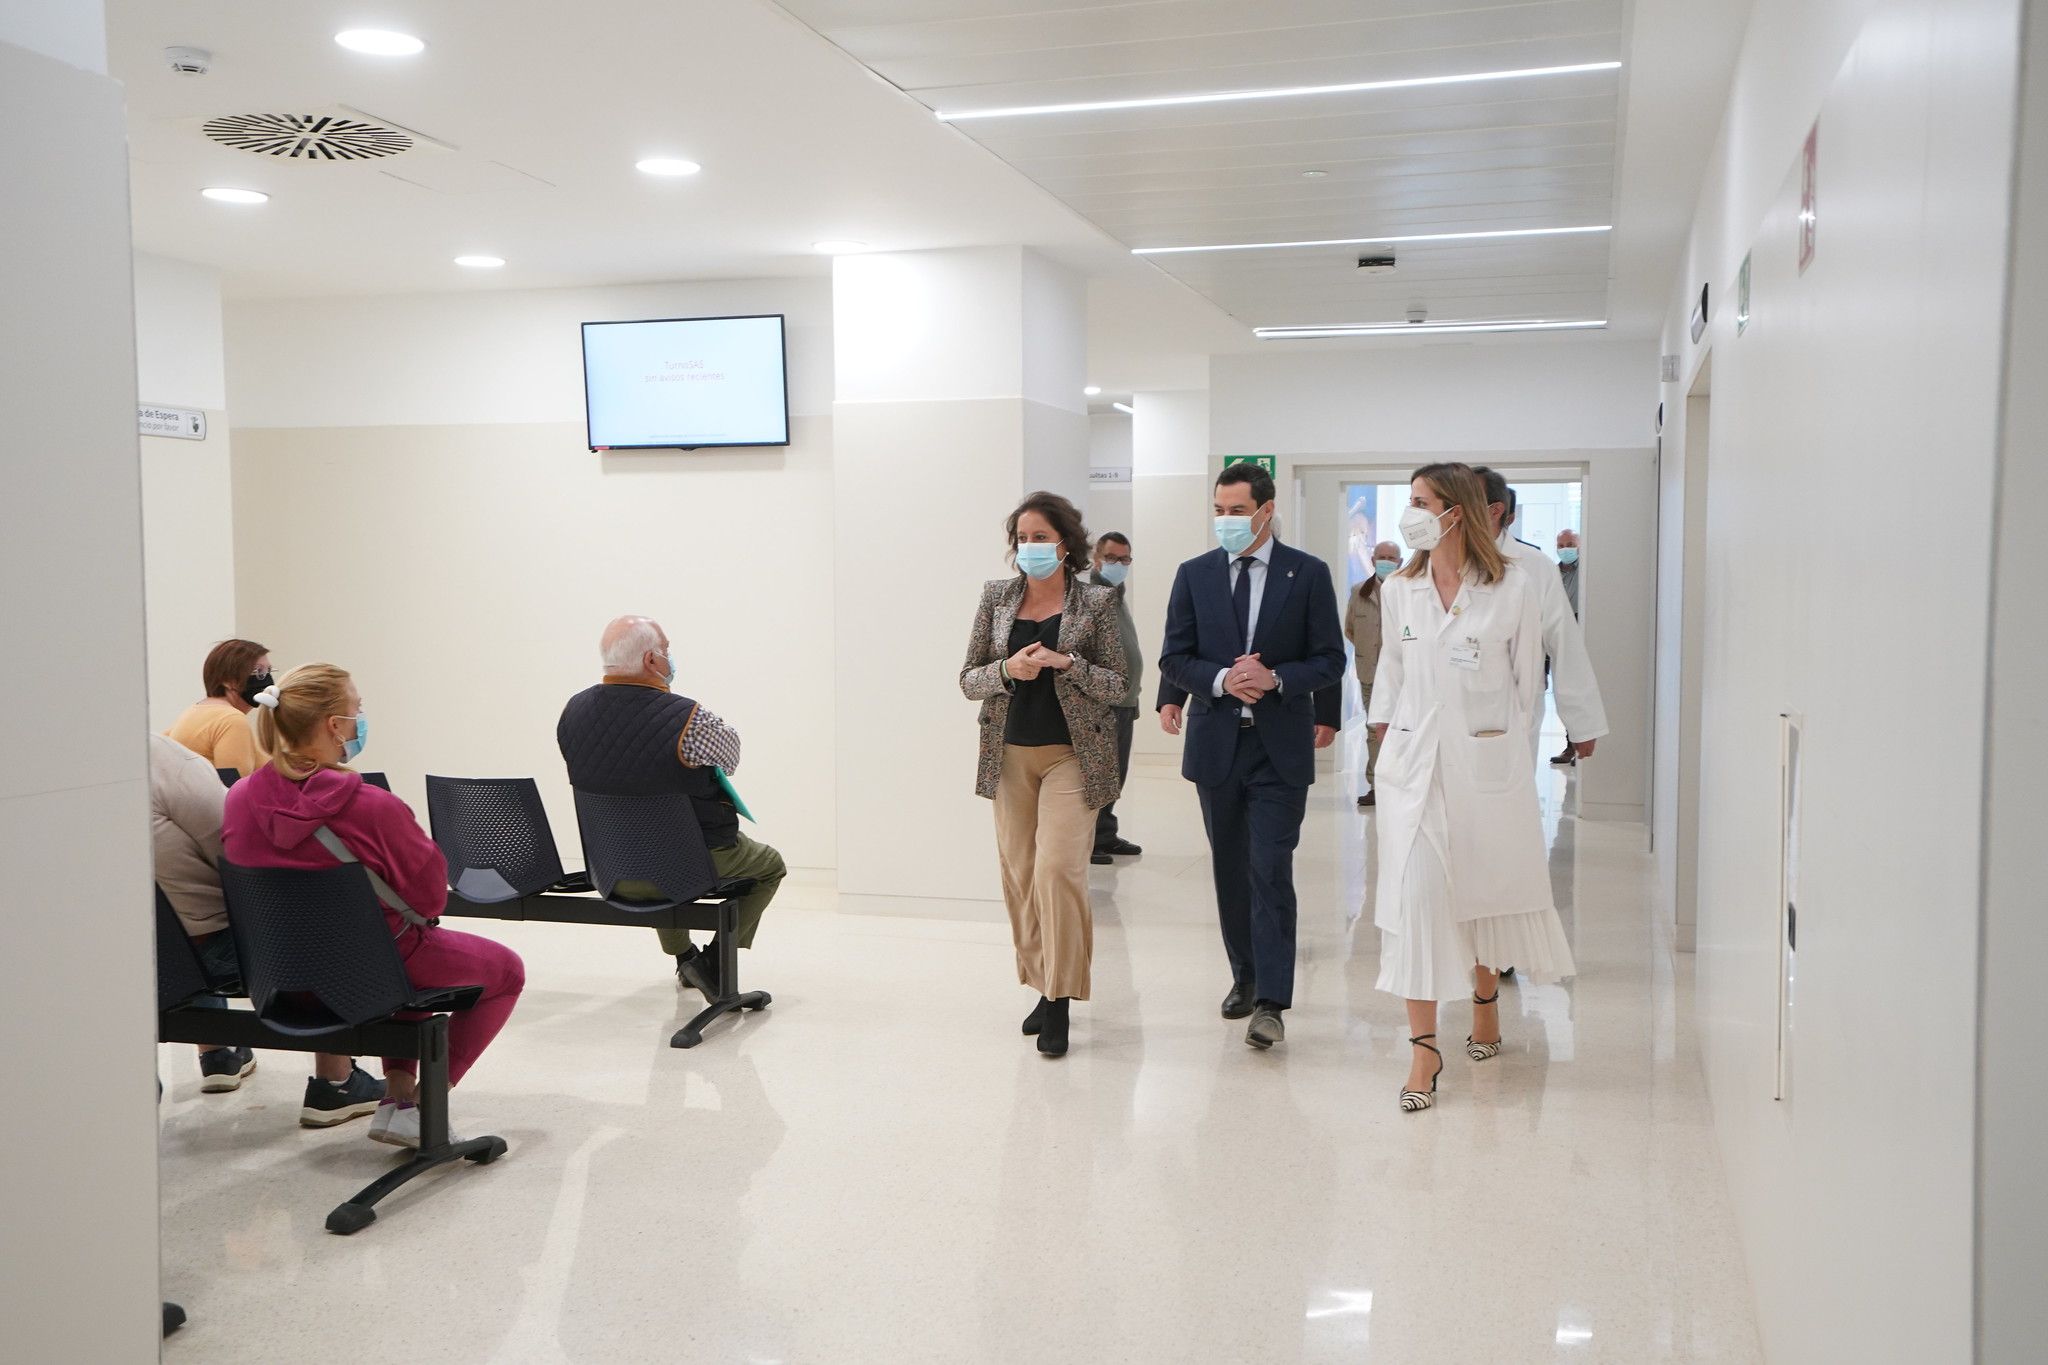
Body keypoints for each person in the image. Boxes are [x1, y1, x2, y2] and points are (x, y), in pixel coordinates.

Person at [224, 664, 525, 1148]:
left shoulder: (238, 799)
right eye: (356, 709)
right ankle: (427, 1103)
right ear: (334, 726)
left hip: (282, 982)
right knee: (504, 971)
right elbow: (429, 900)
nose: (361, 717)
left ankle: (398, 1100)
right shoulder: (374, 807)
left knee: (401, 955)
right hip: (368, 976)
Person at [1369, 463, 1576, 1113]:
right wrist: (1383, 741)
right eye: (1410, 502)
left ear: (1456, 511)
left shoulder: (1512, 586)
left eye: (1422, 501)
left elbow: (1526, 689)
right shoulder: (1399, 590)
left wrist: (1510, 766)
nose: (1412, 513)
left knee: (1480, 894)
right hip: (1413, 769)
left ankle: (1486, 1003)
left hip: (1487, 767)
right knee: (1418, 899)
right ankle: (1424, 1048)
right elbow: (1392, 672)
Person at [1156, 463, 1346, 1050]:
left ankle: (1272, 1001)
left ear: (1266, 509)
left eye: (1238, 510)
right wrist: (1215, 681)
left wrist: (1275, 679)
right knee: (1230, 868)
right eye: (1220, 509)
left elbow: (1329, 658)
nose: (1227, 520)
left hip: (1278, 749)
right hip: (1217, 744)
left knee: (1270, 867)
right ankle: (1244, 975)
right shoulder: (1195, 575)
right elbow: (1175, 654)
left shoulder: (1307, 574)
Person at [959, 492, 1128, 1058]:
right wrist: (1009, 668)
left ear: (1066, 543)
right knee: (1022, 873)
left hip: (1073, 756)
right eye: (1022, 539)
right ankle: (1040, 983)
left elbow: (1117, 686)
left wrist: (1066, 663)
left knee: (1058, 870)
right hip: (1008, 756)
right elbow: (968, 679)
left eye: (1040, 537)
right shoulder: (995, 599)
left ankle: (1059, 1000)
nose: (1029, 548)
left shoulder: (1097, 605)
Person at [150, 732, 379, 1121]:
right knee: (321, 919)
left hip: (136, 965)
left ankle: (218, 1054)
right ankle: (336, 1082)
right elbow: (236, 851)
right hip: (208, 954)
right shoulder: (164, 760)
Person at [558, 617, 786, 999]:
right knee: (770, 865)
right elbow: (730, 757)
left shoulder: (572, 712)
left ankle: (684, 957)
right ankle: (712, 962)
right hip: (689, 862)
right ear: (651, 660)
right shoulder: (688, 719)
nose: (671, 657)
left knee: (656, 843)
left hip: (612, 864)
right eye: (667, 649)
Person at [1472, 469, 1608, 769]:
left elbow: (1564, 644)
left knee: (1506, 802)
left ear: (1495, 511)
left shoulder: (1534, 567)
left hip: (1510, 707)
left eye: (1465, 501)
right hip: (1448, 709)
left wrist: (1581, 722)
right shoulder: (1441, 563)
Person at [1087, 531, 1145, 866]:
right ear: (1096, 558)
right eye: (1112, 559)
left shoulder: (1116, 595)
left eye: (1125, 560)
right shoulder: (1091, 596)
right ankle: (1088, 839)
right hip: (1102, 703)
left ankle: (1105, 834)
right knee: (1097, 774)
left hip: (1124, 702)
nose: (1119, 565)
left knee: (1115, 774)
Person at [1345, 539, 1403, 808]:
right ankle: (1376, 785)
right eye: (1381, 556)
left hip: (1401, 677)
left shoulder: (1407, 592)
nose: (1386, 561)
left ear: (1400, 562)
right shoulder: (1359, 592)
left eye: (1391, 557)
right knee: (1373, 729)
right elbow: (1350, 629)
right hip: (1369, 673)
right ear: (1372, 560)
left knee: (1400, 730)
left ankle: (1399, 783)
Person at [163, 638, 273, 778]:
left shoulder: (194, 711)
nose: (267, 679)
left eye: (268, 671)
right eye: (258, 672)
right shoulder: (231, 720)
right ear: (228, 680)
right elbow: (233, 790)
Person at [1553, 529, 1586, 765]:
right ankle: (1569, 746)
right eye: (1562, 545)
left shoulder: (1586, 570)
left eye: (1570, 544)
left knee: (1580, 690)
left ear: (1580, 545)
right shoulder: (1552, 573)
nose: (1566, 549)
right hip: (1559, 629)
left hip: (1582, 625)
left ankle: (1582, 744)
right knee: (1564, 691)